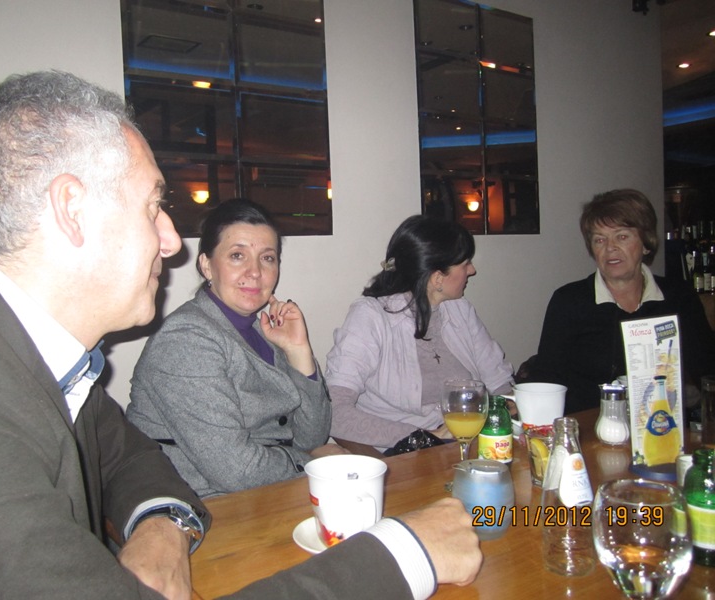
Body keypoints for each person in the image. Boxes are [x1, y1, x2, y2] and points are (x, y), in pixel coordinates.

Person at [0, 70, 481, 600]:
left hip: (263, 506)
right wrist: (401, 552)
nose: (170, 241)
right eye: (153, 207)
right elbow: (248, 464)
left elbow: (127, 455)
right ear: (72, 209)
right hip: (240, 513)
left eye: (268, 257)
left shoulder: (51, 362)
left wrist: (162, 519)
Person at [128, 198, 345, 498]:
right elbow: (236, 470)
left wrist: (299, 352)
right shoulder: (185, 340)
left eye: (267, 258)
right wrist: (314, 464)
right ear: (207, 266)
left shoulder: (264, 330)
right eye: (237, 255)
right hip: (201, 505)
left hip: (265, 493)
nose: (255, 272)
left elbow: (312, 437)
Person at [326, 215, 514, 453]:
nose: (472, 270)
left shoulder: (461, 310)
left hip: (468, 445)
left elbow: (499, 384)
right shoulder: (370, 317)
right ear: (437, 278)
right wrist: (424, 437)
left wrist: (508, 408)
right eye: (465, 263)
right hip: (404, 456)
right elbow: (335, 413)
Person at [528, 188, 715, 414]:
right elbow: (547, 377)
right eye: (599, 240)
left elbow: (706, 368)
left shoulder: (678, 297)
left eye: (622, 236)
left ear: (646, 243)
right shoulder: (569, 301)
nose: (610, 248)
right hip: (589, 425)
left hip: (661, 424)